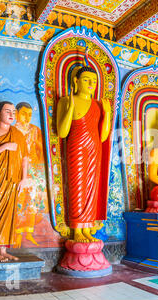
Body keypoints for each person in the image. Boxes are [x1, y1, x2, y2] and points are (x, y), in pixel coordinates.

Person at [56, 66, 111, 243]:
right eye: (86, 79)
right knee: (78, 186)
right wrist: (71, 108)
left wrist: (108, 113)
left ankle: (87, 228)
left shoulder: (97, 105)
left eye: (94, 81)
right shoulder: (66, 100)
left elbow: (103, 136)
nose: (91, 84)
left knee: (91, 189)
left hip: (95, 148)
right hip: (76, 147)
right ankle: (77, 229)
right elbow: (63, 133)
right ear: (76, 81)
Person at [0, 101, 29, 262]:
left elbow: (24, 159)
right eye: (7, 111)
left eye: (14, 112)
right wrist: (5, 146)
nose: (11, 115)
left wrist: (24, 178)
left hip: (12, 179)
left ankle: (4, 250)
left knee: (10, 213)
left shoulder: (18, 134)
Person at [13, 102, 45, 247]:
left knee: (31, 202)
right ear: (16, 114)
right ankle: (17, 233)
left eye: (30, 114)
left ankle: (29, 233)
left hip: (32, 171)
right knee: (18, 201)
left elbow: (41, 151)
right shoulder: (11, 130)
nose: (27, 117)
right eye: (24, 113)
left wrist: (40, 170)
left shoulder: (35, 130)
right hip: (16, 169)